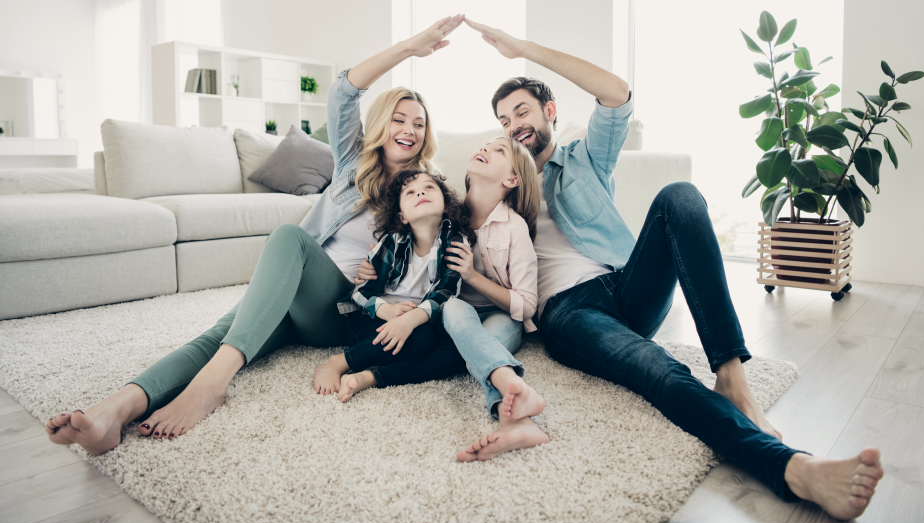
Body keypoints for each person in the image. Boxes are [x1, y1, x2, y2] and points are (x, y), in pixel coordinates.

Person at [448, 18, 885, 520]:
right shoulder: (501, 186)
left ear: (549, 111)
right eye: (503, 122)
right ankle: (793, 470)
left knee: (680, 195)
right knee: (660, 370)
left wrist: (522, 49)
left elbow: (616, 94)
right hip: (567, 313)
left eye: (521, 111)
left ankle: (731, 373)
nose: (512, 126)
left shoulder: (584, 159)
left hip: (625, 284)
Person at [44, 15, 466, 455]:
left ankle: (212, 385)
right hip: (298, 292)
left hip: (343, 308)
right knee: (220, 336)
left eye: (419, 123)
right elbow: (343, 91)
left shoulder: (426, 188)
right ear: (382, 125)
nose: (409, 131)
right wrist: (409, 47)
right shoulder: (353, 165)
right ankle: (114, 410)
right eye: (399, 119)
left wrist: (385, 286)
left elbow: (435, 257)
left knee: (287, 236)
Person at [354, 136, 550, 459]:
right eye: (487, 145)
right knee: (457, 312)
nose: (486, 148)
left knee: (477, 348)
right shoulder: (445, 212)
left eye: (499, 150)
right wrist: (371, 269)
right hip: (453, 313)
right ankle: (518, 414)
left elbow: (527, 305)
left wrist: (473, 276)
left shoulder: (514, 229)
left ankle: (513, 418)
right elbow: (408, 249)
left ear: (511, 180)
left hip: (502, 316)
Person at [312, 169, 469, 398]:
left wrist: (410, 320)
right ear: (402, 216)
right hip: (374, 320)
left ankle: (370, 377)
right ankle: (339, 362)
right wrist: (388, 311)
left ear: (445, 204)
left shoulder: (455, 241)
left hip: (421, 321)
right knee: (422, 340)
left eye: (429, 188)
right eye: (410, 192)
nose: (420, 193)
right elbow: (361, 292)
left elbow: (447, 291)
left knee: (455, 353)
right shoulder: (392, 242)